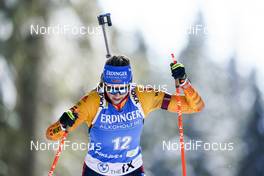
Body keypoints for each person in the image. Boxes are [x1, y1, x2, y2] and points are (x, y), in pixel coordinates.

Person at [46, 55, 205, 176]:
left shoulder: (143, 96)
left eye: (122, 88)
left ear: (130, 84)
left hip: (131, 170)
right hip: (97, 171)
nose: (116, 94)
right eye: (111, 88)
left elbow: (195, 107)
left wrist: (184, 82)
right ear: (103, 84)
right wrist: (62, 124)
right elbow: (51, 135)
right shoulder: (92, 102)